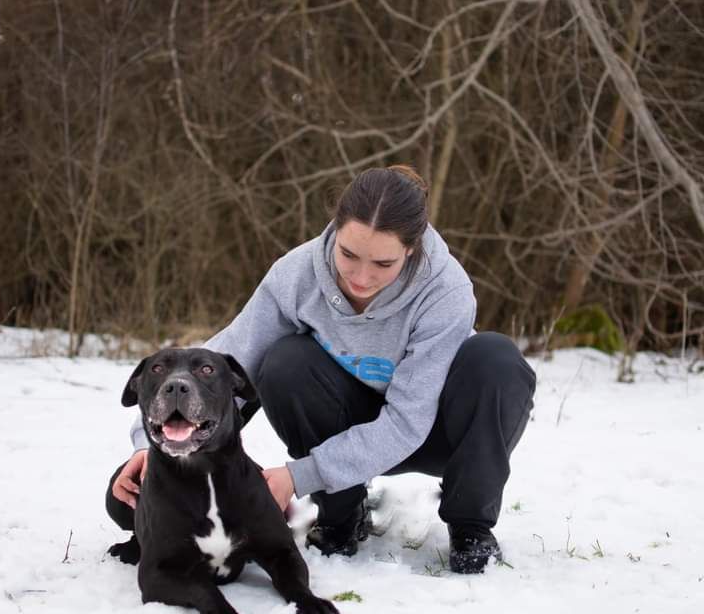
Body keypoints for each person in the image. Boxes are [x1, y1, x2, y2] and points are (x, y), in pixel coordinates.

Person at [111, 164, 536, 573]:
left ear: (411, 248)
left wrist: (299, 476)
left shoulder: (445, 291)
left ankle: (471, 527)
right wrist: (154, 442)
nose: (361, 277)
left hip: (435, 433)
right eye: (348, 254)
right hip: (341, 422)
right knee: (285, 362)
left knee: (495, 360)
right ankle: (341, 516)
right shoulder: (297, 275)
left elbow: (408, 423)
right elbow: (224, 366)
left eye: (383, 264)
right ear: (334, 229)